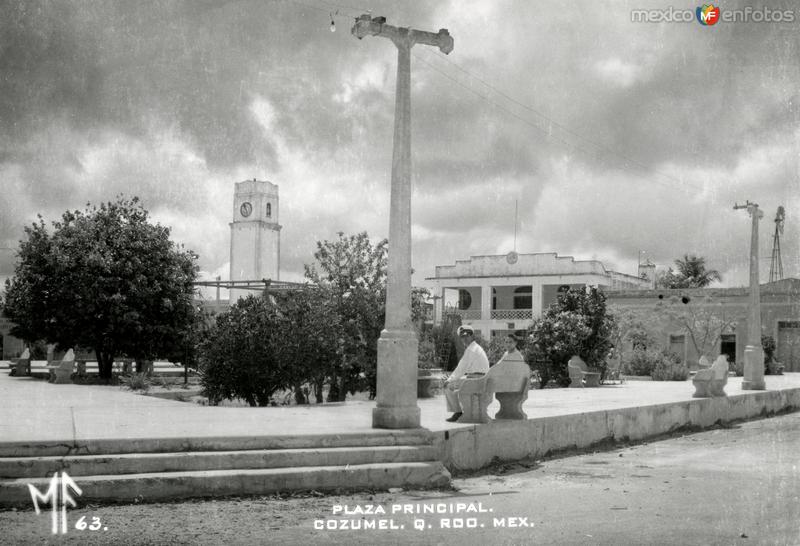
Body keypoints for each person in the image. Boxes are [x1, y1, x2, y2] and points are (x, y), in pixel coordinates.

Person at [444, 325, 489, 422]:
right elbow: (465, 369)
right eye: (462, 337)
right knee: (455, 383)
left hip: (476, 380)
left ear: (472, 336)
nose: (464, 339)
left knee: (448, 386)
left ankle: (458, 412)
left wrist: (449, 380)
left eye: (467, 336)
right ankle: (460, 411)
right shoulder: (476, 348)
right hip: (479, 379)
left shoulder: (471, 349)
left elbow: (461, 368)